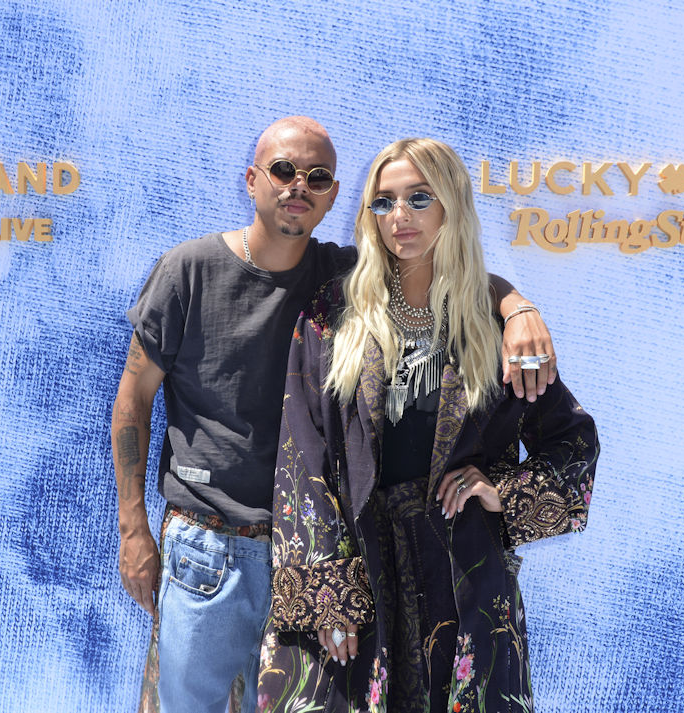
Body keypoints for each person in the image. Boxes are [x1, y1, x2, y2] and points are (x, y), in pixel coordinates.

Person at [112, 119, 559, 713]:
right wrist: (134, 530)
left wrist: (517, 306)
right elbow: (136, 401)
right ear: (252, 179)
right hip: (217, 545)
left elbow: (443, 272)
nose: (298, 185)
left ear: (333, 195)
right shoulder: (207, 275)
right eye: (283, 170)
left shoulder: (348, 281)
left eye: (317, 177)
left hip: (380, 569)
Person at [258, 138, 599, 713]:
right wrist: (327, 593)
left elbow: (573, 439)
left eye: (419, 198)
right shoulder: (333, 314)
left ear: (452, 204)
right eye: (384, 202)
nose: (400, 216)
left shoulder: (495, 328)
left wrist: (503, 491)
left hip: (463, 576)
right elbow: (301, 454)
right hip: (362, 572)